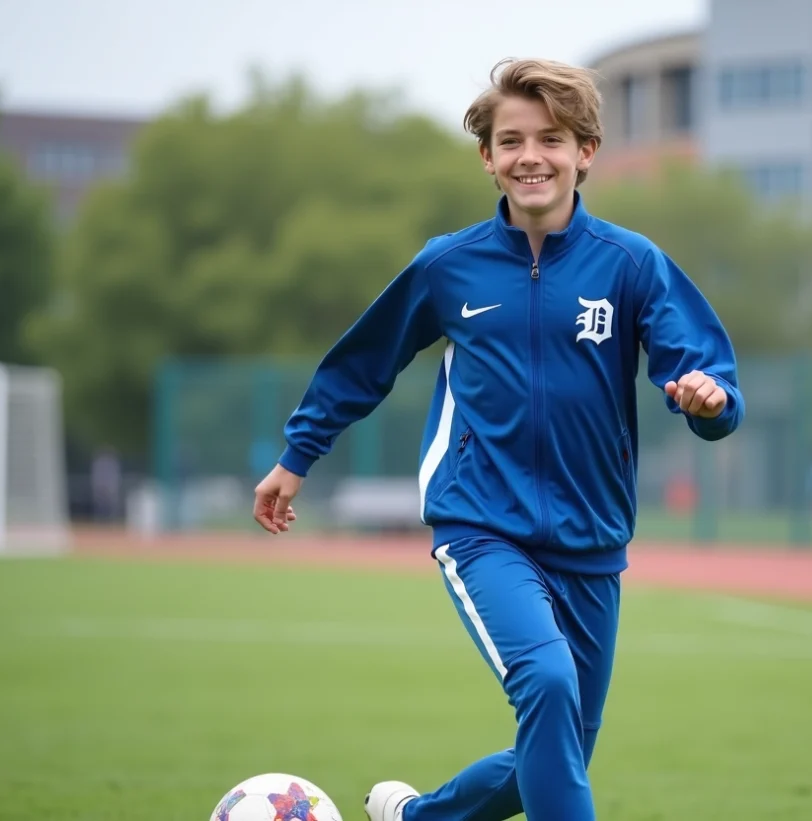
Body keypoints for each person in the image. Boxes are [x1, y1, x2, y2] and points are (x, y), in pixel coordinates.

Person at [253, 57, 746, 821]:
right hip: (481, 523)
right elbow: (362, 363)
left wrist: (709, 400)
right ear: (487, 158)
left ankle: (419, 818)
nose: (530, 156)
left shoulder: (631, 265)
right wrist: (297, 454)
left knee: (560, 747)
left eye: (552, 138)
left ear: (586, 150)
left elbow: (704, 376)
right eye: (510, 140)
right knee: (546, 684)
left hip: (593, 538)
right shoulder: (449, 266)